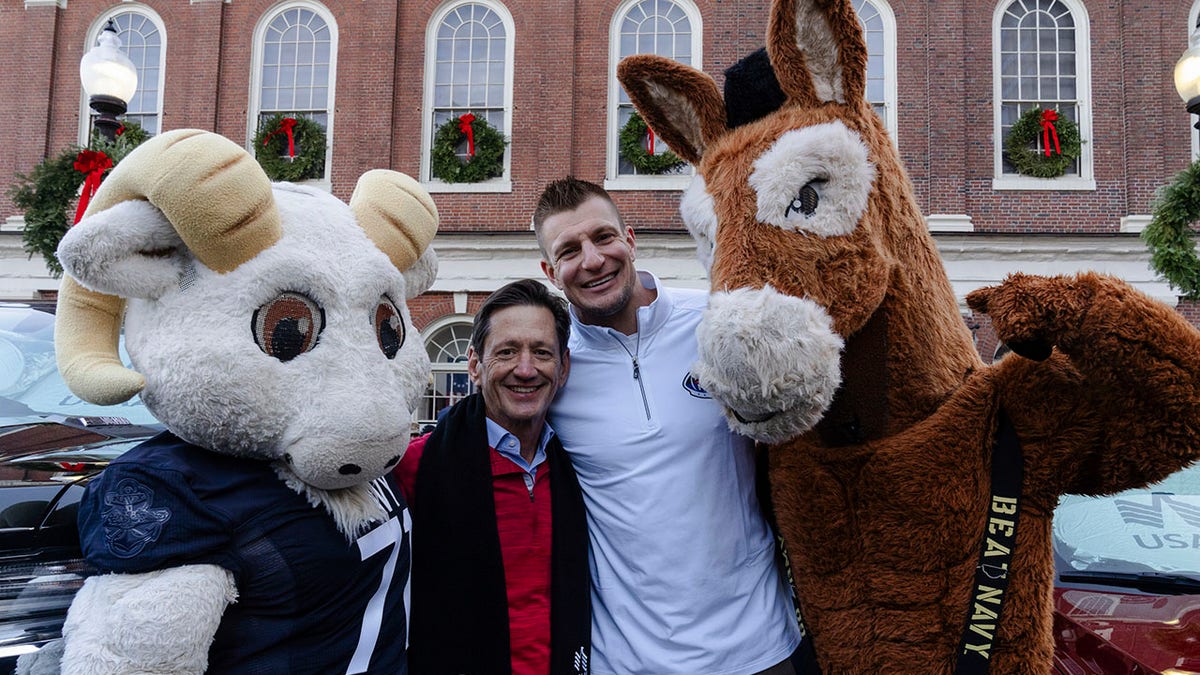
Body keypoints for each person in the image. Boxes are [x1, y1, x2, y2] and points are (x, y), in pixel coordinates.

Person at [533, 177, 804, 674]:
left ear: (630, 239)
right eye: (569, 250)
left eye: (603, 237)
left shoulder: (717, 323)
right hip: (629, 660)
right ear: (551, 271)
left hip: (760, 646)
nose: (592, 260)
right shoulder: (552, 370)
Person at [395, 278, 590, 675]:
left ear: (563, 367)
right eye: (506, 352)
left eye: (541, 352)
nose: (525, 369)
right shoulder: (417, 466)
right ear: (475, 365)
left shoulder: (580, 468)